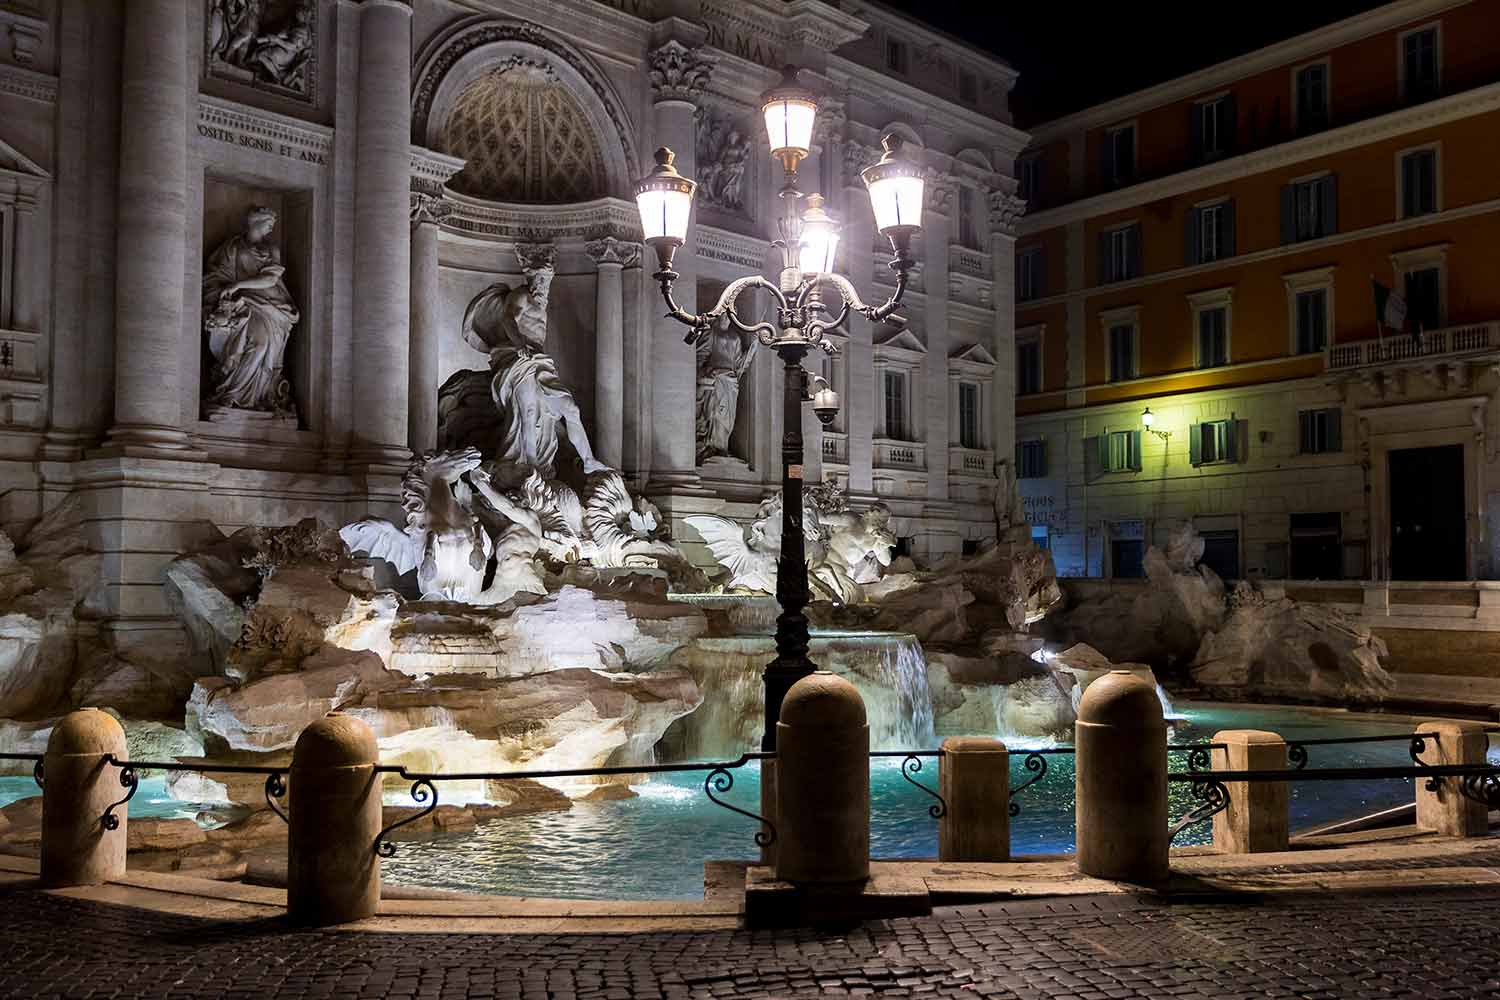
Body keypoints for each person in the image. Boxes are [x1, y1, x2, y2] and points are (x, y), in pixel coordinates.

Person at [201, 206, 299, 414]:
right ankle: (232, 393)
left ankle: (259, 396)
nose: (271, 229)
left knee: (265, 346)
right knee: (259, 343)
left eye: (273, 225)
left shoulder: (272, 249)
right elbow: (215, 276)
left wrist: (239, 286)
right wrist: (226, 295)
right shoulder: (232, 247)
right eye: (268, 224)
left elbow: (271, 278)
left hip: (271, 304)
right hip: (243, 305)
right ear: (255, 222)